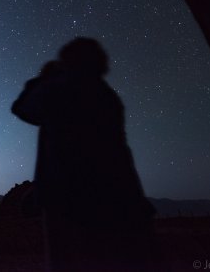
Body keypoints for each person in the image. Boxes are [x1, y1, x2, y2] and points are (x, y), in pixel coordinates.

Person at [12, 37, 156, 272]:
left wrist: (44, 77)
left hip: (71, 202)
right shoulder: (107, 95)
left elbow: (23, 108)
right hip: (119, 198)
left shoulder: (60, 87)